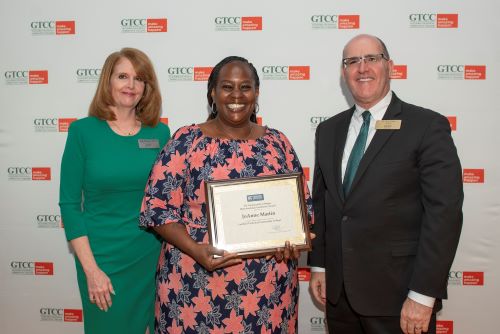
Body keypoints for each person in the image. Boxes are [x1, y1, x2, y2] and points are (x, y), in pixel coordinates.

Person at [139, 56, 313, 333]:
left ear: (256, 93)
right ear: (213, 92)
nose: (236, 95)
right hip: (193, 286)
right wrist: (196, 249)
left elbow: (301, 208)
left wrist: (292, 241)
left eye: (245, 87)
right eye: (227, 86)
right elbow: (157, 208)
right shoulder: (186, 141)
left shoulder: (278, 143)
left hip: (267, 293)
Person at [308, 34, 463, 334]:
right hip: (339, 299)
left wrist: (422, 295)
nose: (362, 68)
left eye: (371, 59)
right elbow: (322, 203)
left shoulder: (427, 126)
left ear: (390, 66)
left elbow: (444, 214)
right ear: (344, 73)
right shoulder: (328, 130)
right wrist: (320, 266)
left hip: (401, 299)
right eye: (352, 61)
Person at [59, 47, 170, 333]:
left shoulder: (158, 133)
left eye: (139, 78)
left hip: (150, 257)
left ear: (147, 87)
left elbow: (169, 196)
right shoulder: (82, 132)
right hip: (102, 259)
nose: (131, 85)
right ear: (108, 81)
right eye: (123, 76)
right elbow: (70, 205)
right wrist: (91, 271)